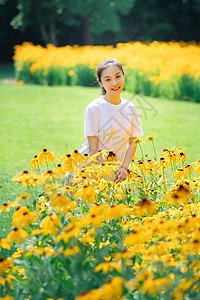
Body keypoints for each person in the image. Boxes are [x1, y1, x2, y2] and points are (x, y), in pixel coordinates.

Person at [78, 58, 144, 184]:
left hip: (113, 172)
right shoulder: (94, 108)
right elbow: (93, 148)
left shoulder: (131, 108)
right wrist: (94, 177)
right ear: (101, 83)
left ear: (123, 76)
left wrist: (124, 168)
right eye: (108, 79)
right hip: (88, 170)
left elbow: (133, 142)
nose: (114, 83)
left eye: (118, 76)